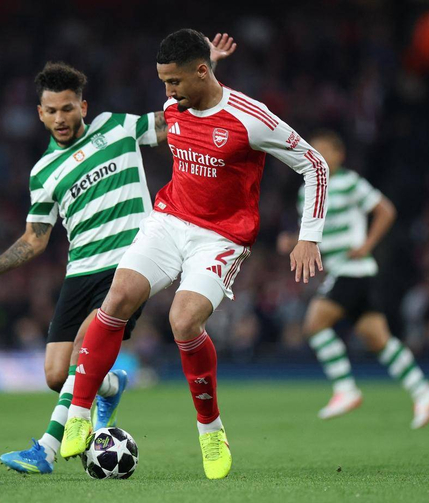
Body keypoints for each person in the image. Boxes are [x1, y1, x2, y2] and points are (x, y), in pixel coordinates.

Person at [0, 35, 237, 476]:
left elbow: (178, 117)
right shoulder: (43, 172)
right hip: (79, 272)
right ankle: (112, 385)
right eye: (51, 110)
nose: (60, 118)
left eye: (68, 108)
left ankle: (45, 450)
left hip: (128, 263)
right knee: (56, 375)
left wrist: (207, 67)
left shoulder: (117, 127)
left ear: (83, 106)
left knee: (84, 346)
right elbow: (34, 238)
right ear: (40, 113)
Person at [60, 29, 328, 480]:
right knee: (118, 296)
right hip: (170, 219)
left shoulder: (251, 119)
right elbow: (197, 86)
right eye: (164, 82)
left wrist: (309, 235)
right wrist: (207, 64)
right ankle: (79, 413)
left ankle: (210, 430)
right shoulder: (177, 103)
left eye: (174, 82)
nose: (167, 93)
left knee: (184, 321)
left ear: (201, 72)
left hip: (221, 237)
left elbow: (315, 164)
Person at [278, 130, 429, 429]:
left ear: (339, 155)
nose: (319, 156)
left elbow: (385, 210)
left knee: (314, 324)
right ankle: (423, 391)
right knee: (378, 338)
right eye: (315, 150)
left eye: (325, 150)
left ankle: (345, 389)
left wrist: (367, 244)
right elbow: (313, 234)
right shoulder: (307, 190)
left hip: (352, 269)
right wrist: (293, 241)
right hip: (345, 270)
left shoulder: (350, 182)